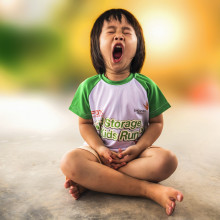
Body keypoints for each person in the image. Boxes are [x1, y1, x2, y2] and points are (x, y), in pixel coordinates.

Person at [60, 8, 184, 216]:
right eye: (110, 32)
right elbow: (85, 124)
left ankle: (95, 180)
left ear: (138, 46)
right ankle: (148, 190)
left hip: (136, 156)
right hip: (99, 155)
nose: (119, 35)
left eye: (127, 32)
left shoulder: (146, 86)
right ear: (97, 45)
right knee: (69, 162)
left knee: (168, 160)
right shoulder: (88, 87)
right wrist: (99, 149)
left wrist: (139, 148)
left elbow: (156, 123)